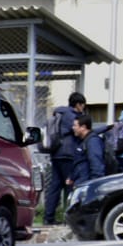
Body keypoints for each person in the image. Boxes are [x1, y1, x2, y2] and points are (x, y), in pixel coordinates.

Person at [43, 92, 85, 225]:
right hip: (68, 154)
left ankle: (48, 218)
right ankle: (69, 218)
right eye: (83, 105)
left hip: (56, 154)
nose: (83, 108)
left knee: (55, 186)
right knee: (69, 185)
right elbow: (79, 133)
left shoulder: (59, 113)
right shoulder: (72, 116)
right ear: (78, 104)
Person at [69, 113, 106, 186]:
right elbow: (80, 164)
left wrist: (94, 185)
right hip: (82, 182)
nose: (73, 128)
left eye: (75, 125)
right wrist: (72, 177)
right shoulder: (83, 141)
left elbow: (97, 165)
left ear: (83, 127)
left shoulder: (92, 141)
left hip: (87, 184)